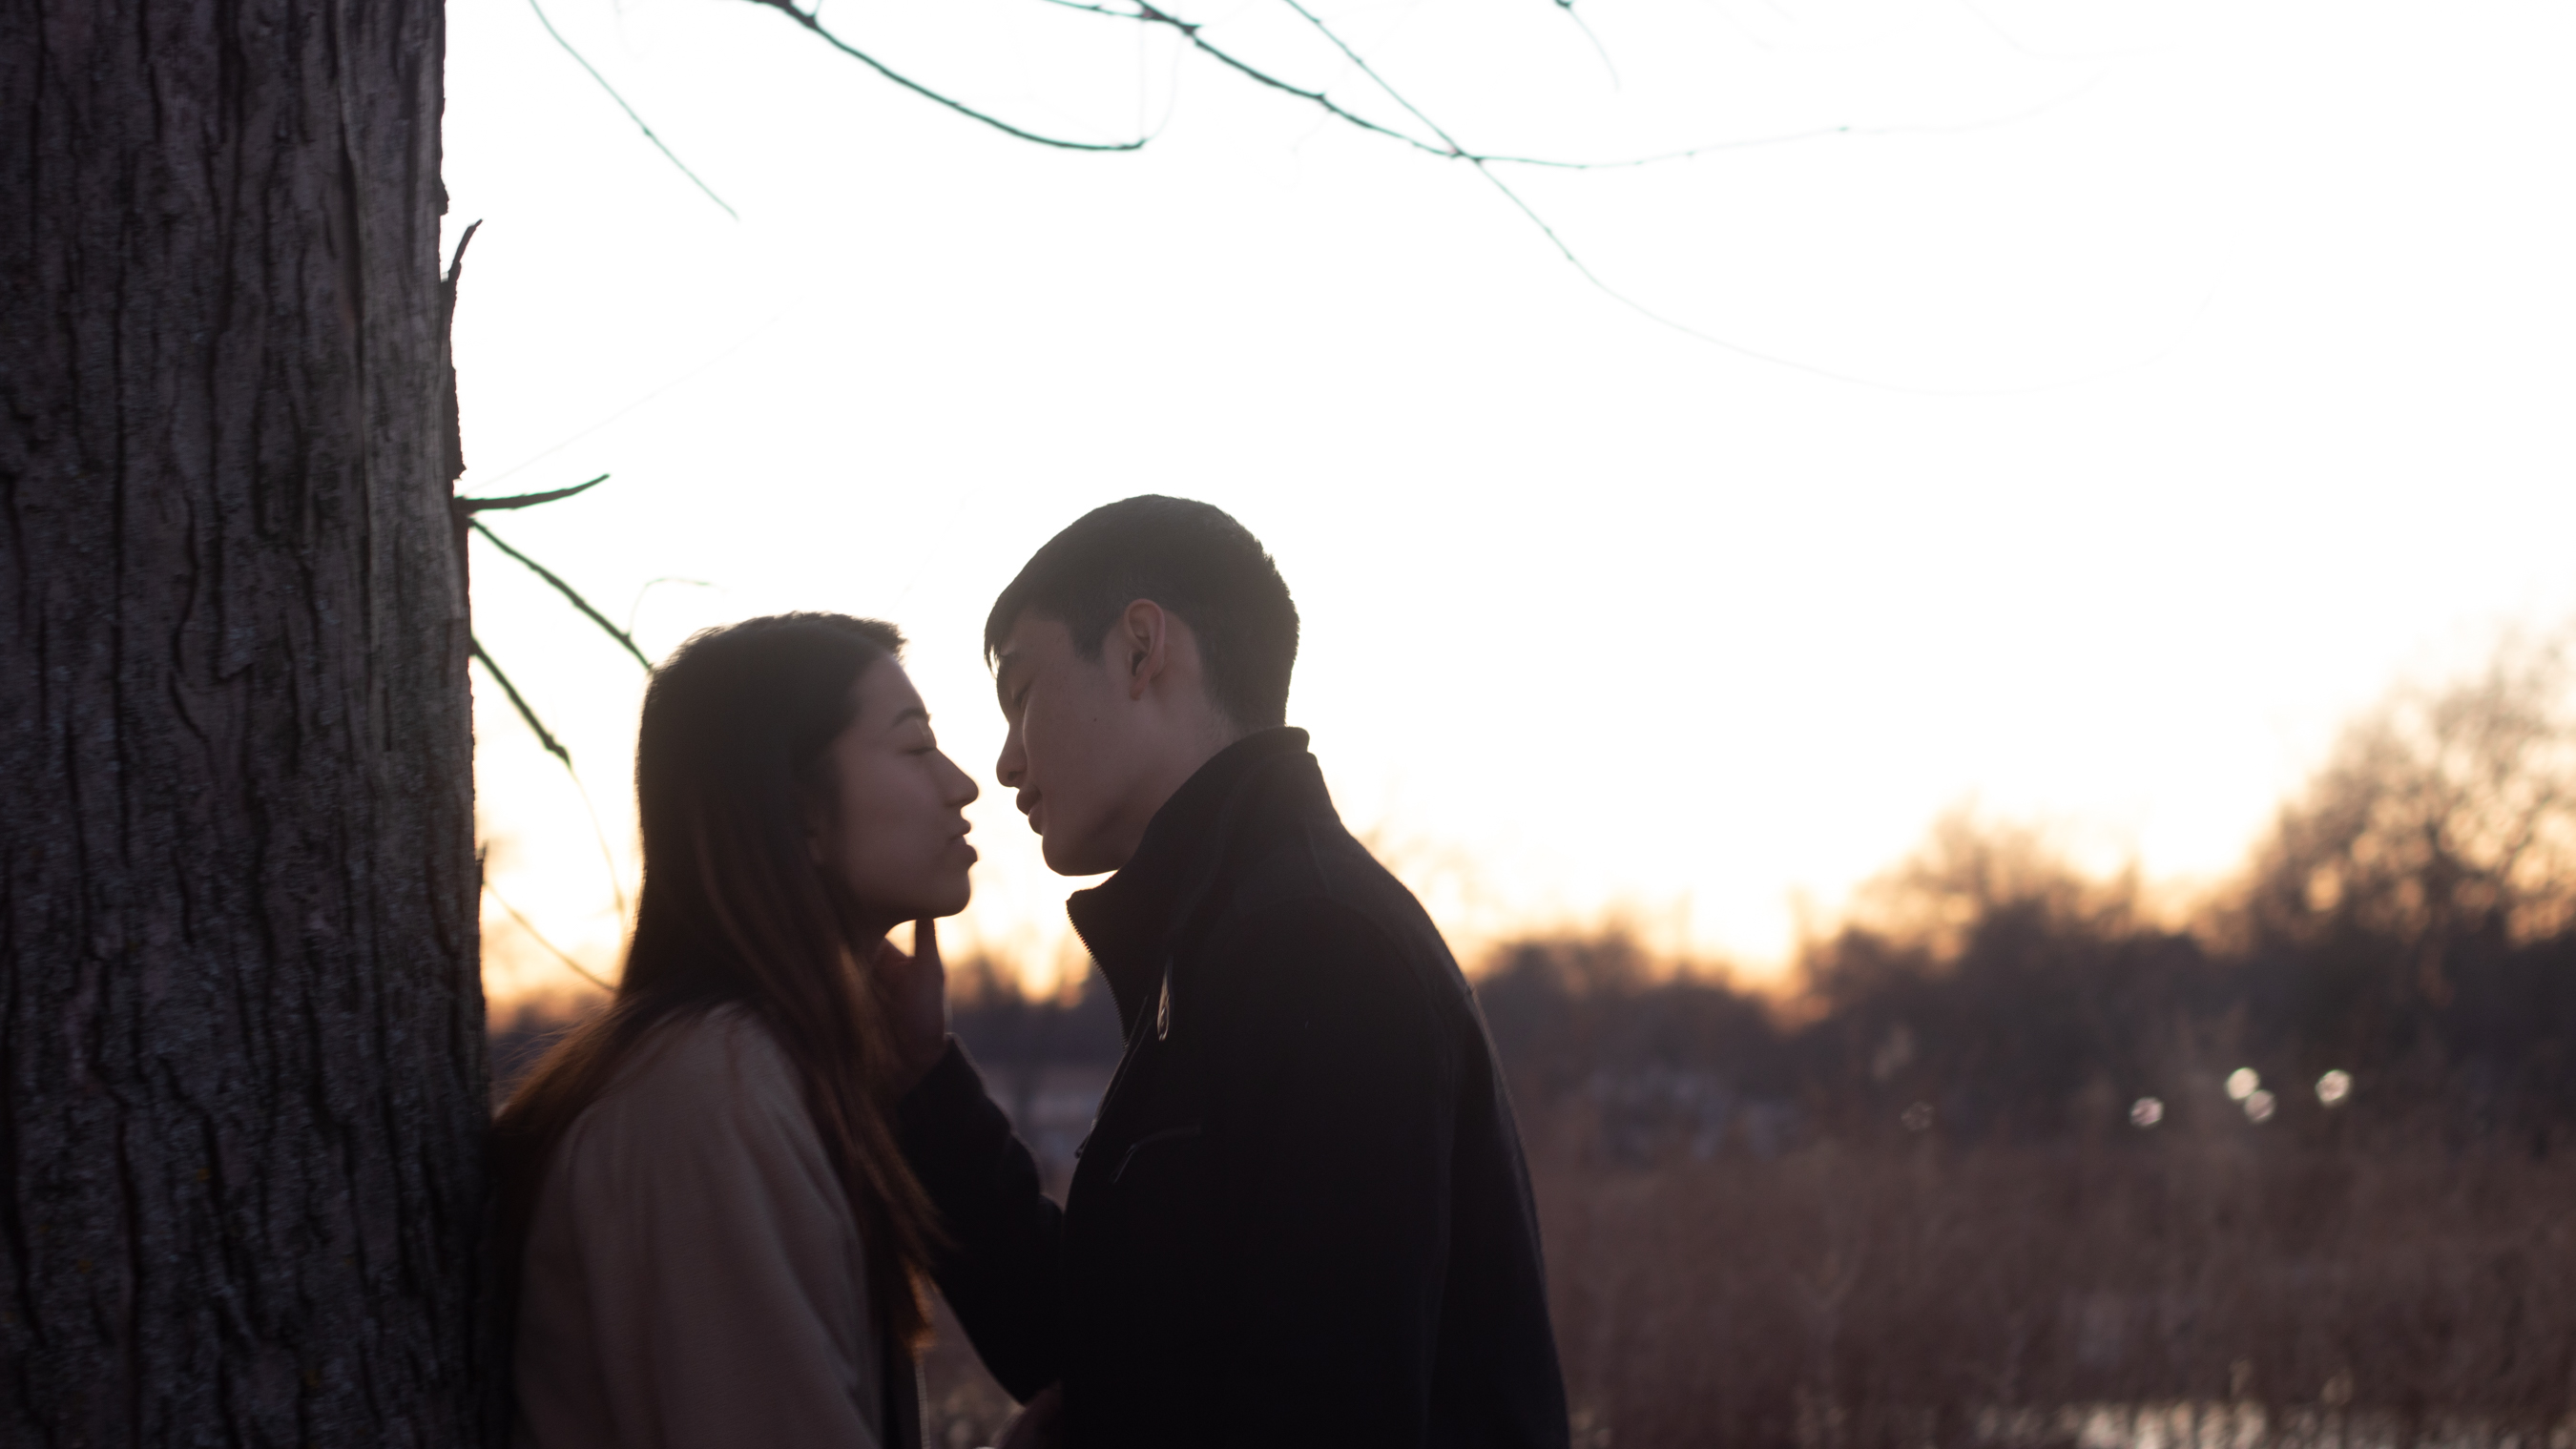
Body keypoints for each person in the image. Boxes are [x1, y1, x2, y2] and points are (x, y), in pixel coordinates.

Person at [878, 496, 1571, 1448]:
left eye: (1022, 693)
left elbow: (1325, 1416)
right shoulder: (1224, 944)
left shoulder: (1318, 943)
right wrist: (924, 1077)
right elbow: (1093, 1342)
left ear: (1141, 649)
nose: (1003, 763)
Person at [491, 613, 980, 1449]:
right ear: (801, 812)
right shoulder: (714, 1097)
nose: (962, 785)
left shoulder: (752, 1074)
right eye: (916, 746)